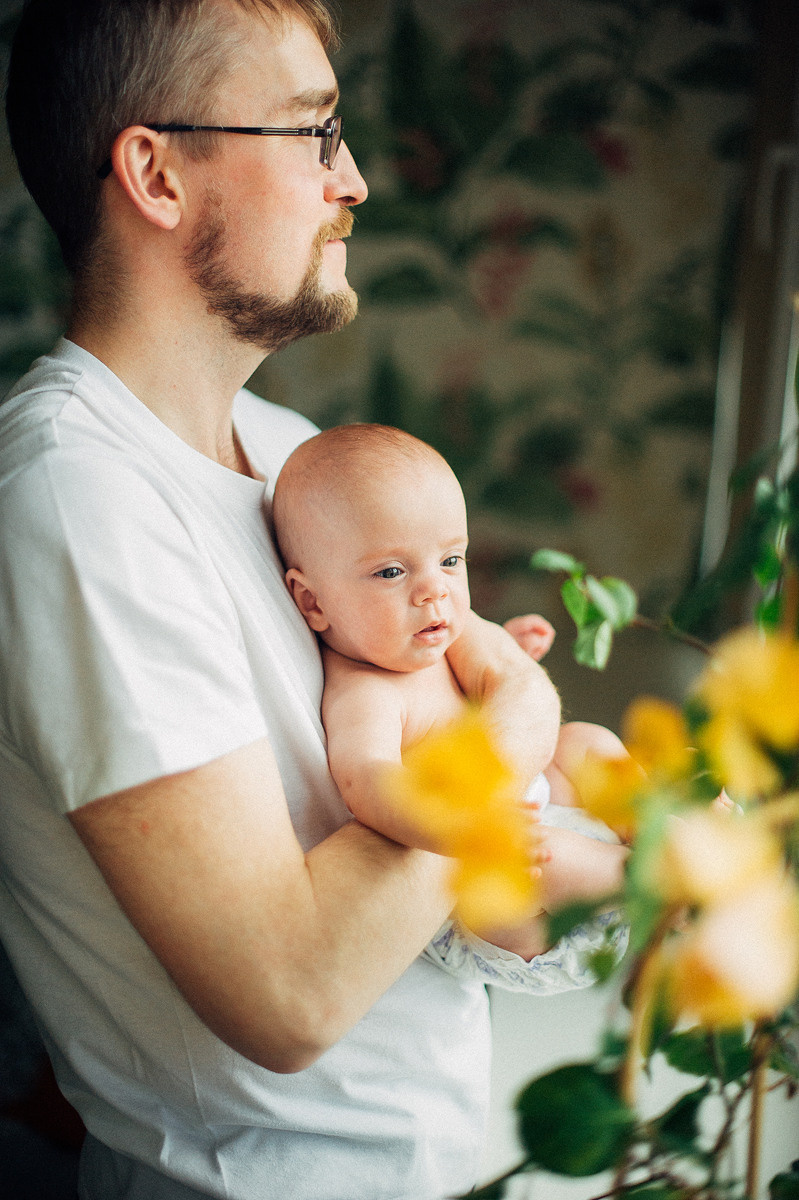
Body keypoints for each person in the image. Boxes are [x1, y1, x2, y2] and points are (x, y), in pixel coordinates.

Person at [0, 2, 619, 1198]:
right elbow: (288, 994)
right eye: (311, 132)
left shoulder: (295, 461)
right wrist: (508, 736)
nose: (357, 182)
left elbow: (446, 907)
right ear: (156, 176)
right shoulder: (76, 498)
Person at [272, 423, 630, 930]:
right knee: (546, 857)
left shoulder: (436, 637)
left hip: (535, 796)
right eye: (391, 572)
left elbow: (475, 698)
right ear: (313, 602)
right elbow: (367, 781)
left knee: (586, 742)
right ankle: (654, 881)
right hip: (496, 873)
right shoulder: (365, 691)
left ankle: (655, 818)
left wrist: (508, 643)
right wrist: (454, 827)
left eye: (450, 560)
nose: (434, 590)